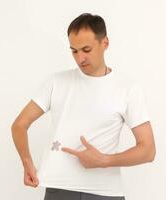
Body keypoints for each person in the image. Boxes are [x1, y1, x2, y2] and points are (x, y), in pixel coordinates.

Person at [11, 13, 156, 200]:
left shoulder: (127, 89)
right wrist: (27, 162)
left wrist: (105, 161)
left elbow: (148, 150)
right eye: (74, 51)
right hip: (58, 190)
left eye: (86, 49)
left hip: (104, 193)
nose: (80, 58)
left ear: (105, 43)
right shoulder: (56, 82)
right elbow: (19, 125)